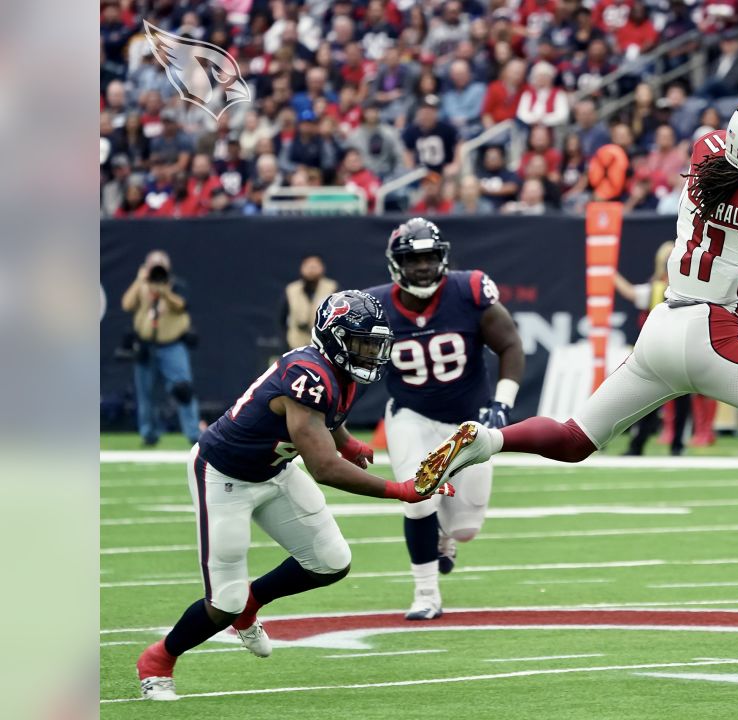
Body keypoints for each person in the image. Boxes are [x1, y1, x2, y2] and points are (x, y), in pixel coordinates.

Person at [415, 35, 738, 554]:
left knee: (576, 438)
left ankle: (488, 440)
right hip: (713, 332)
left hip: (662, 327)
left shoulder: (707, 150)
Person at [135, 291, 437, 701]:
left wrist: (346, 441)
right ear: (333, 338)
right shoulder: (309, 375)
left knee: (330, 562)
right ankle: (158, 660)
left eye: (373, 345)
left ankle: (251, 605)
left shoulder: (335, 370)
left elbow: (328, 415)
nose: (370, 354)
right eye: (361, 343)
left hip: (275, 469)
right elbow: (324, 467)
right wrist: (400, 490)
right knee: (224, 601)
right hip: (224, 475)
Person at [364, 219, 525, 620]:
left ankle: (443, 534)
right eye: (412, 259)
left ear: (443, 258)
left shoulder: (468, 290)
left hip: (468, 421)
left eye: (430, 257)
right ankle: (425, 593)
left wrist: (502, 403)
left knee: (465, 529)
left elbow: (510, 344)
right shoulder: (376, 306)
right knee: (418, 499)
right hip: (411, 415)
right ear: (396, 263)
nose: (422, 267)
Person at [613, 241, 693, 456]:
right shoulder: (655, 288)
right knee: (650, 401)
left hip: (678, 351)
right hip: (660, 352)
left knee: (678, 402)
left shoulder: (688, 288)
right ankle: (641, 445)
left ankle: (674, 445)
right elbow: (632, 293)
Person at [121, 250, 201, 446]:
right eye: (153, 266)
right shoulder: (142, 287)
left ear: (168, 268)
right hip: (146, 346)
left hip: (172, 346)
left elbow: (182, 305)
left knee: (183, 389)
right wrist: (139, 280)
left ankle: (194, 434)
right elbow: (127, 304)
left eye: (160, 266)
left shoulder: (176, 286)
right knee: (146, 393)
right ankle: (149, 434)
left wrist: (165, 292)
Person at [281, 255, 338, 351]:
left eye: (315, 266)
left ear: (322, 268)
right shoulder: (291, 290)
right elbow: (282, 319)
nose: (311, 270)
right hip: (296, 345)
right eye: (308, 266)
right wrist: (285, 342)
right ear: (301, 268)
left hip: (323, 345)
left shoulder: (332, 288)